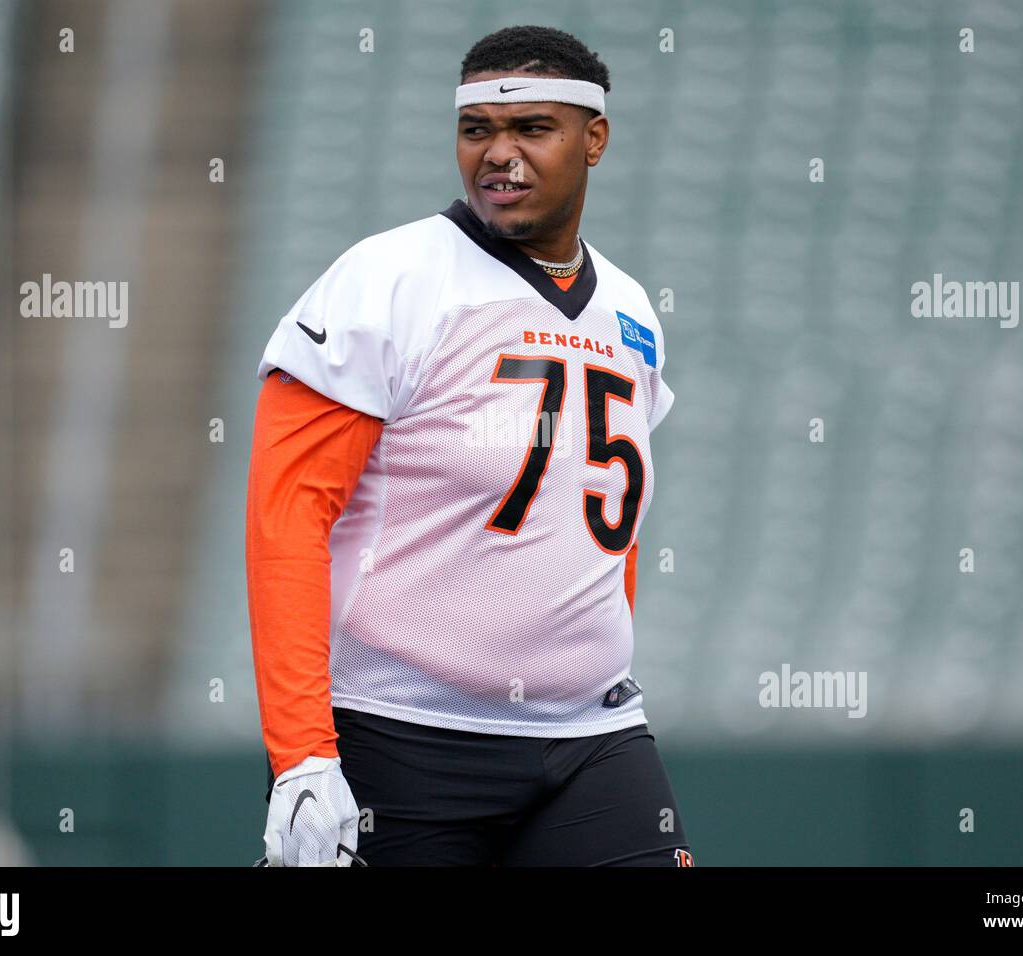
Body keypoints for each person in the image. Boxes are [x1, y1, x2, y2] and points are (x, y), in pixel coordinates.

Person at [247, 24, 691, 866]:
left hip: (593, 736)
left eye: (532, 128)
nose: (500, 154)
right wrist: (303, 751)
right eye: (478, 129)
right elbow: (287, 520)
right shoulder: (390, 280)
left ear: (594, 138)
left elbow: (599, 527)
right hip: (405, 734)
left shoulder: (631, 309)